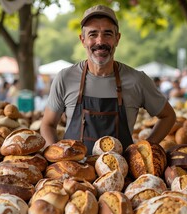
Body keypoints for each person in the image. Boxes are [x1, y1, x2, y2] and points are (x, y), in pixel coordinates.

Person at [40, 5, 176, 154]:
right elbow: (48, 124)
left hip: (122, 175)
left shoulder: (137, 80)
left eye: (108, 34)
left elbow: (168, 116)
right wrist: (57, 158)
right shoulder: (65, 78)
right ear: (82, 40)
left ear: (117, 39)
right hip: (74, 173)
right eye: (93, 34)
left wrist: (143, 151)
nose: (100, 41)